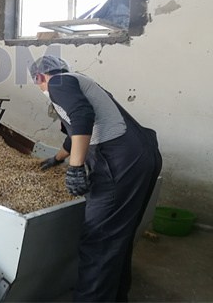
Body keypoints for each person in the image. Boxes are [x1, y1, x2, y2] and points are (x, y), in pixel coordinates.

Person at [29, 55, 162, 302]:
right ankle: (116, 296)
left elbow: (82, 117)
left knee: (99, 241)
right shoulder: (81, 82)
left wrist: (76, 167)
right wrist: (57, 159)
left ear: (39, 76)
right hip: (142, 154)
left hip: (120, 162)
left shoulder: (57, 83)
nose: (40, 88)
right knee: (118, 237)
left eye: (37, 83)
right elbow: (74, 134)